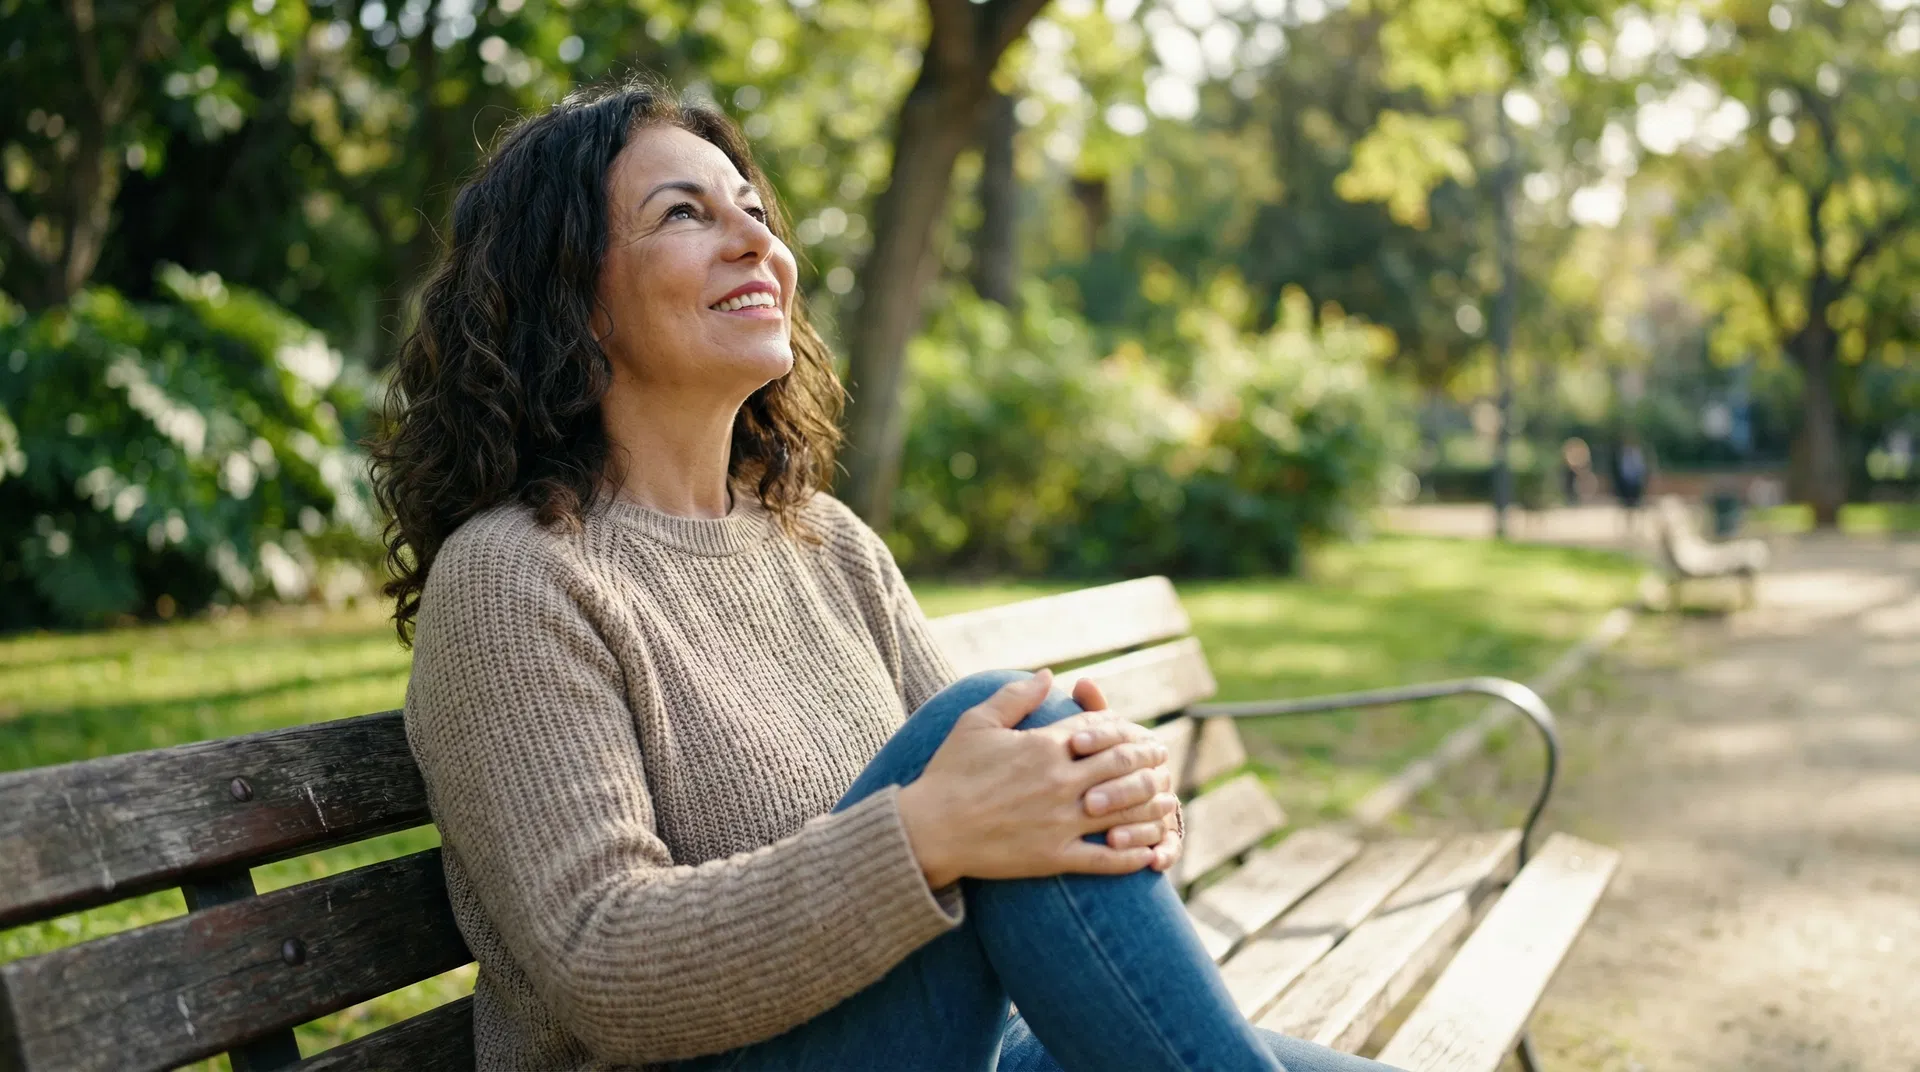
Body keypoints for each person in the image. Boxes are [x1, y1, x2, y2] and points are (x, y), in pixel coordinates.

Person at [370, 78, 1398, 1072]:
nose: (757, 243)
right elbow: (600, 959)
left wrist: (1097, 797)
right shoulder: (515, 578)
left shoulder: (825, 542)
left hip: (936, 1039)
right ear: (572, 295)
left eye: (755, 210)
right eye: (685, 214)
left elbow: (985, 788)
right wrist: (931, 831)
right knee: (1009, 726)